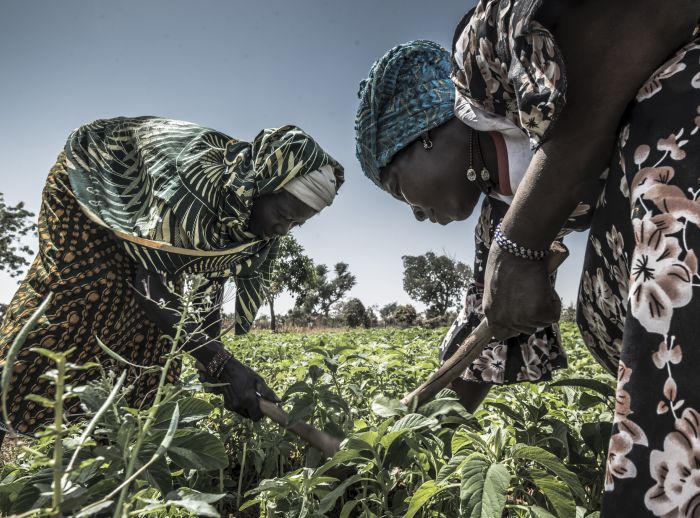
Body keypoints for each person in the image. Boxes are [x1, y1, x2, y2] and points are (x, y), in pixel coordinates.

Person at [356, 1, 699, 514]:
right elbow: (477, 351)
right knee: (601, 311)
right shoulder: (499, 219)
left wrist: (524, 239)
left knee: (655, 236)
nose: (418, 216)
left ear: (422, 137)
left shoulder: (481, 62)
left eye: (400, 190)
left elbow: (646, 13)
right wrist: (399, 432)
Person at [0, 116, 343, 440]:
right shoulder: (196, 180)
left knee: (157, 337)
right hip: (92, 178)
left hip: (150, 228)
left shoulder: (246, 217)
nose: (282, 230)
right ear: (263, 186)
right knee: (92, 296)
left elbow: (212, 274)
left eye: (295, 224)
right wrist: (222, 363)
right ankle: (7, 404)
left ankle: (111, 449)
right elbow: (149, 288)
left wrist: (213, 361)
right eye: (282, 215)